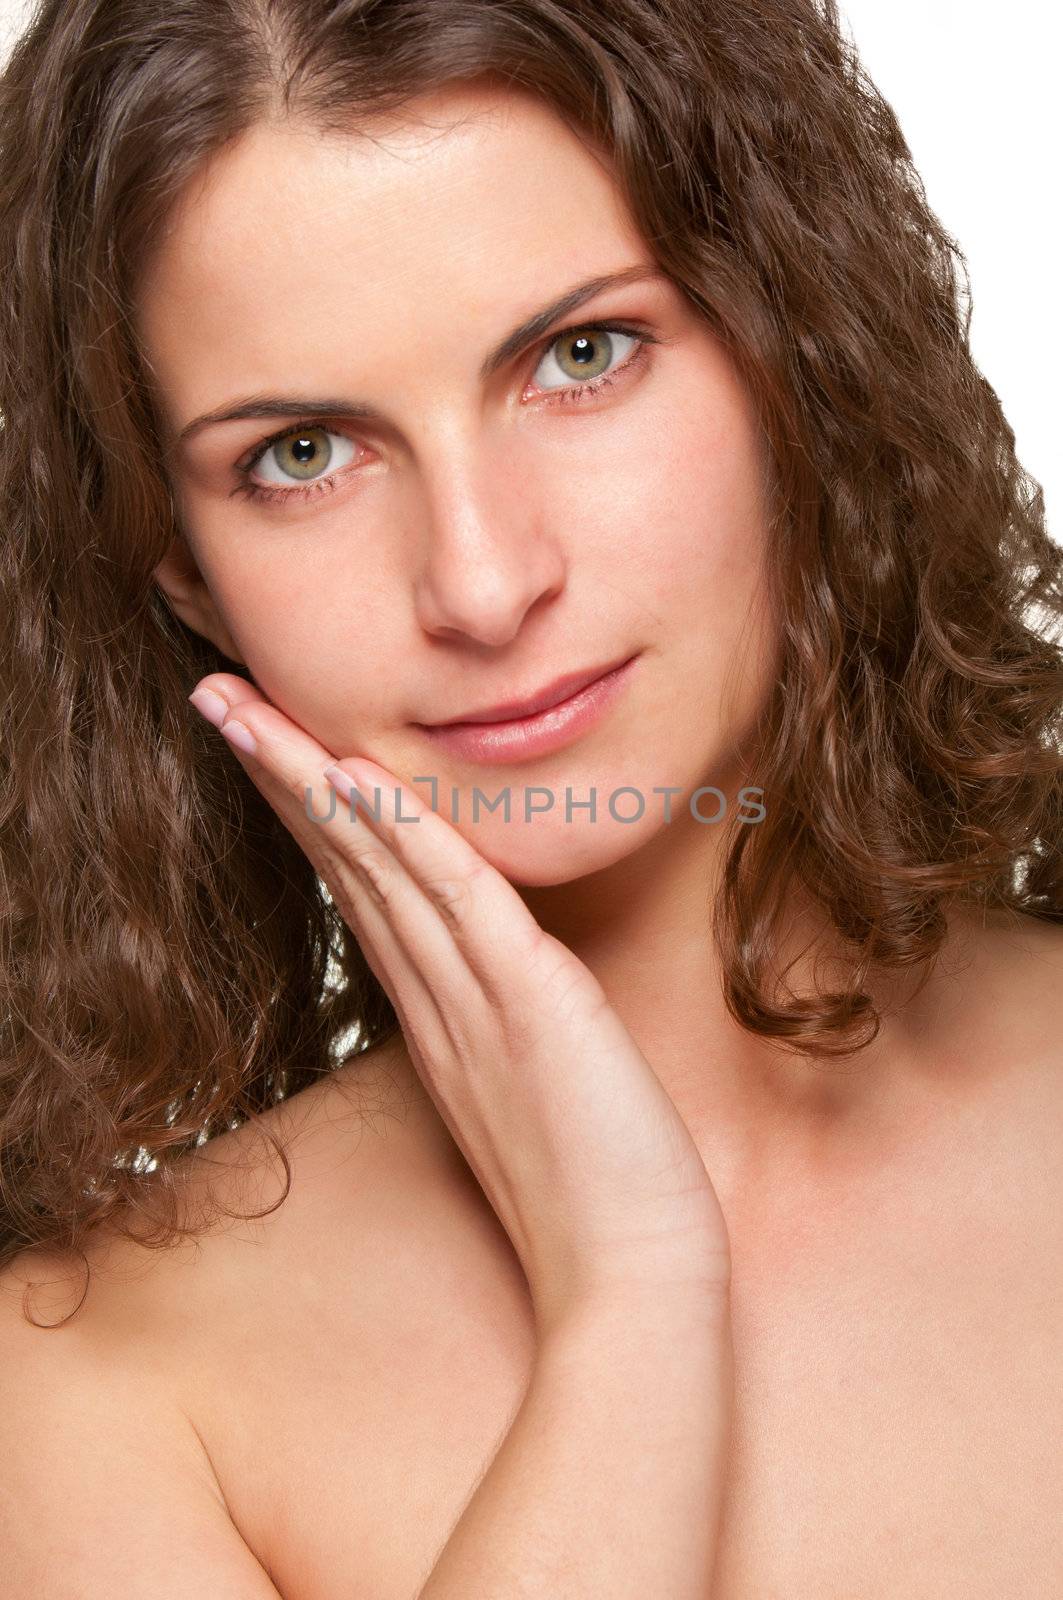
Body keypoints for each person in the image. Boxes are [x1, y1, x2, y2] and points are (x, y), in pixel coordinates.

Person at [1, 0, 1060, 1593]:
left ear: (796, 354)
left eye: (582, 355)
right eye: (301, 453)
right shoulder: (101, 1395)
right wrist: (627, 1299)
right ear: (189, 577)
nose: (484, 583)